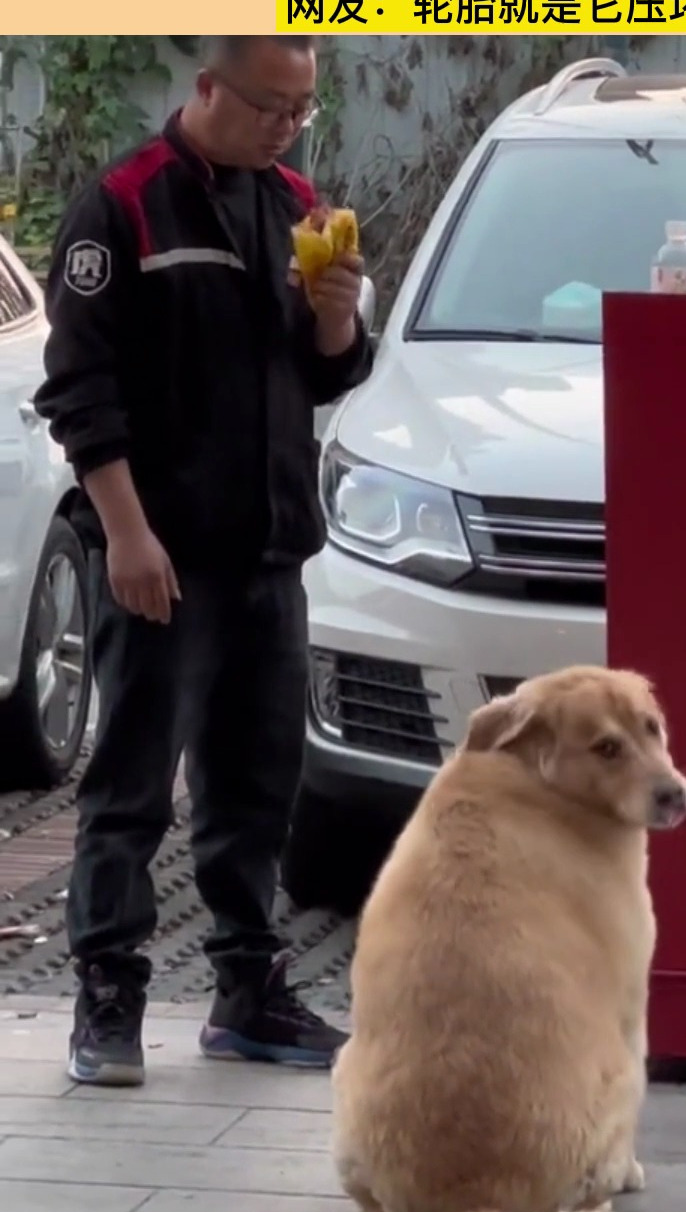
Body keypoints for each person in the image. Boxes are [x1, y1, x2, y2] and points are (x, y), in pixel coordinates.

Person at [34, 35, 373, 1087]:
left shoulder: (293, 202)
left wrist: (334, 320)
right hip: (164, 555)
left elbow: (320, 378)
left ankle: (247, 991)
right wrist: (128, 534)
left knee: (255, 784)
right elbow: (79, 392)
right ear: (209, 87)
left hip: (270, 550)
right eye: (269, 105)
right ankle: (109, 996)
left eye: (301, 109)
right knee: (133, 784)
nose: (284, 126)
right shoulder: (126, 206)